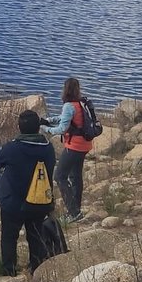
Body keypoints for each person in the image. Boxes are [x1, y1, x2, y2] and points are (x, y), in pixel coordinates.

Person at [0, 110, 57, 276]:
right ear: (38, 128)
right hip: (39, 202)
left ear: (19, 127)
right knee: (36, 237)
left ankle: (9, 272)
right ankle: (36, 269)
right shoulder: (48, 149)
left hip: (13, 202)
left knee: (9, 238)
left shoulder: (11, 148)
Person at [43, 76, 94, 222]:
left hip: (74, 147)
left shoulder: (68, 106)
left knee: (59, 176)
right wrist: (49, 120)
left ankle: (73, 212)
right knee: (75, 177)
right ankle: (76, 210)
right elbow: (64, 118)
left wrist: (46, 128)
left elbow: (62, 128)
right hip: (85, 145)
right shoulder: (80, 103)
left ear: (65, 90)